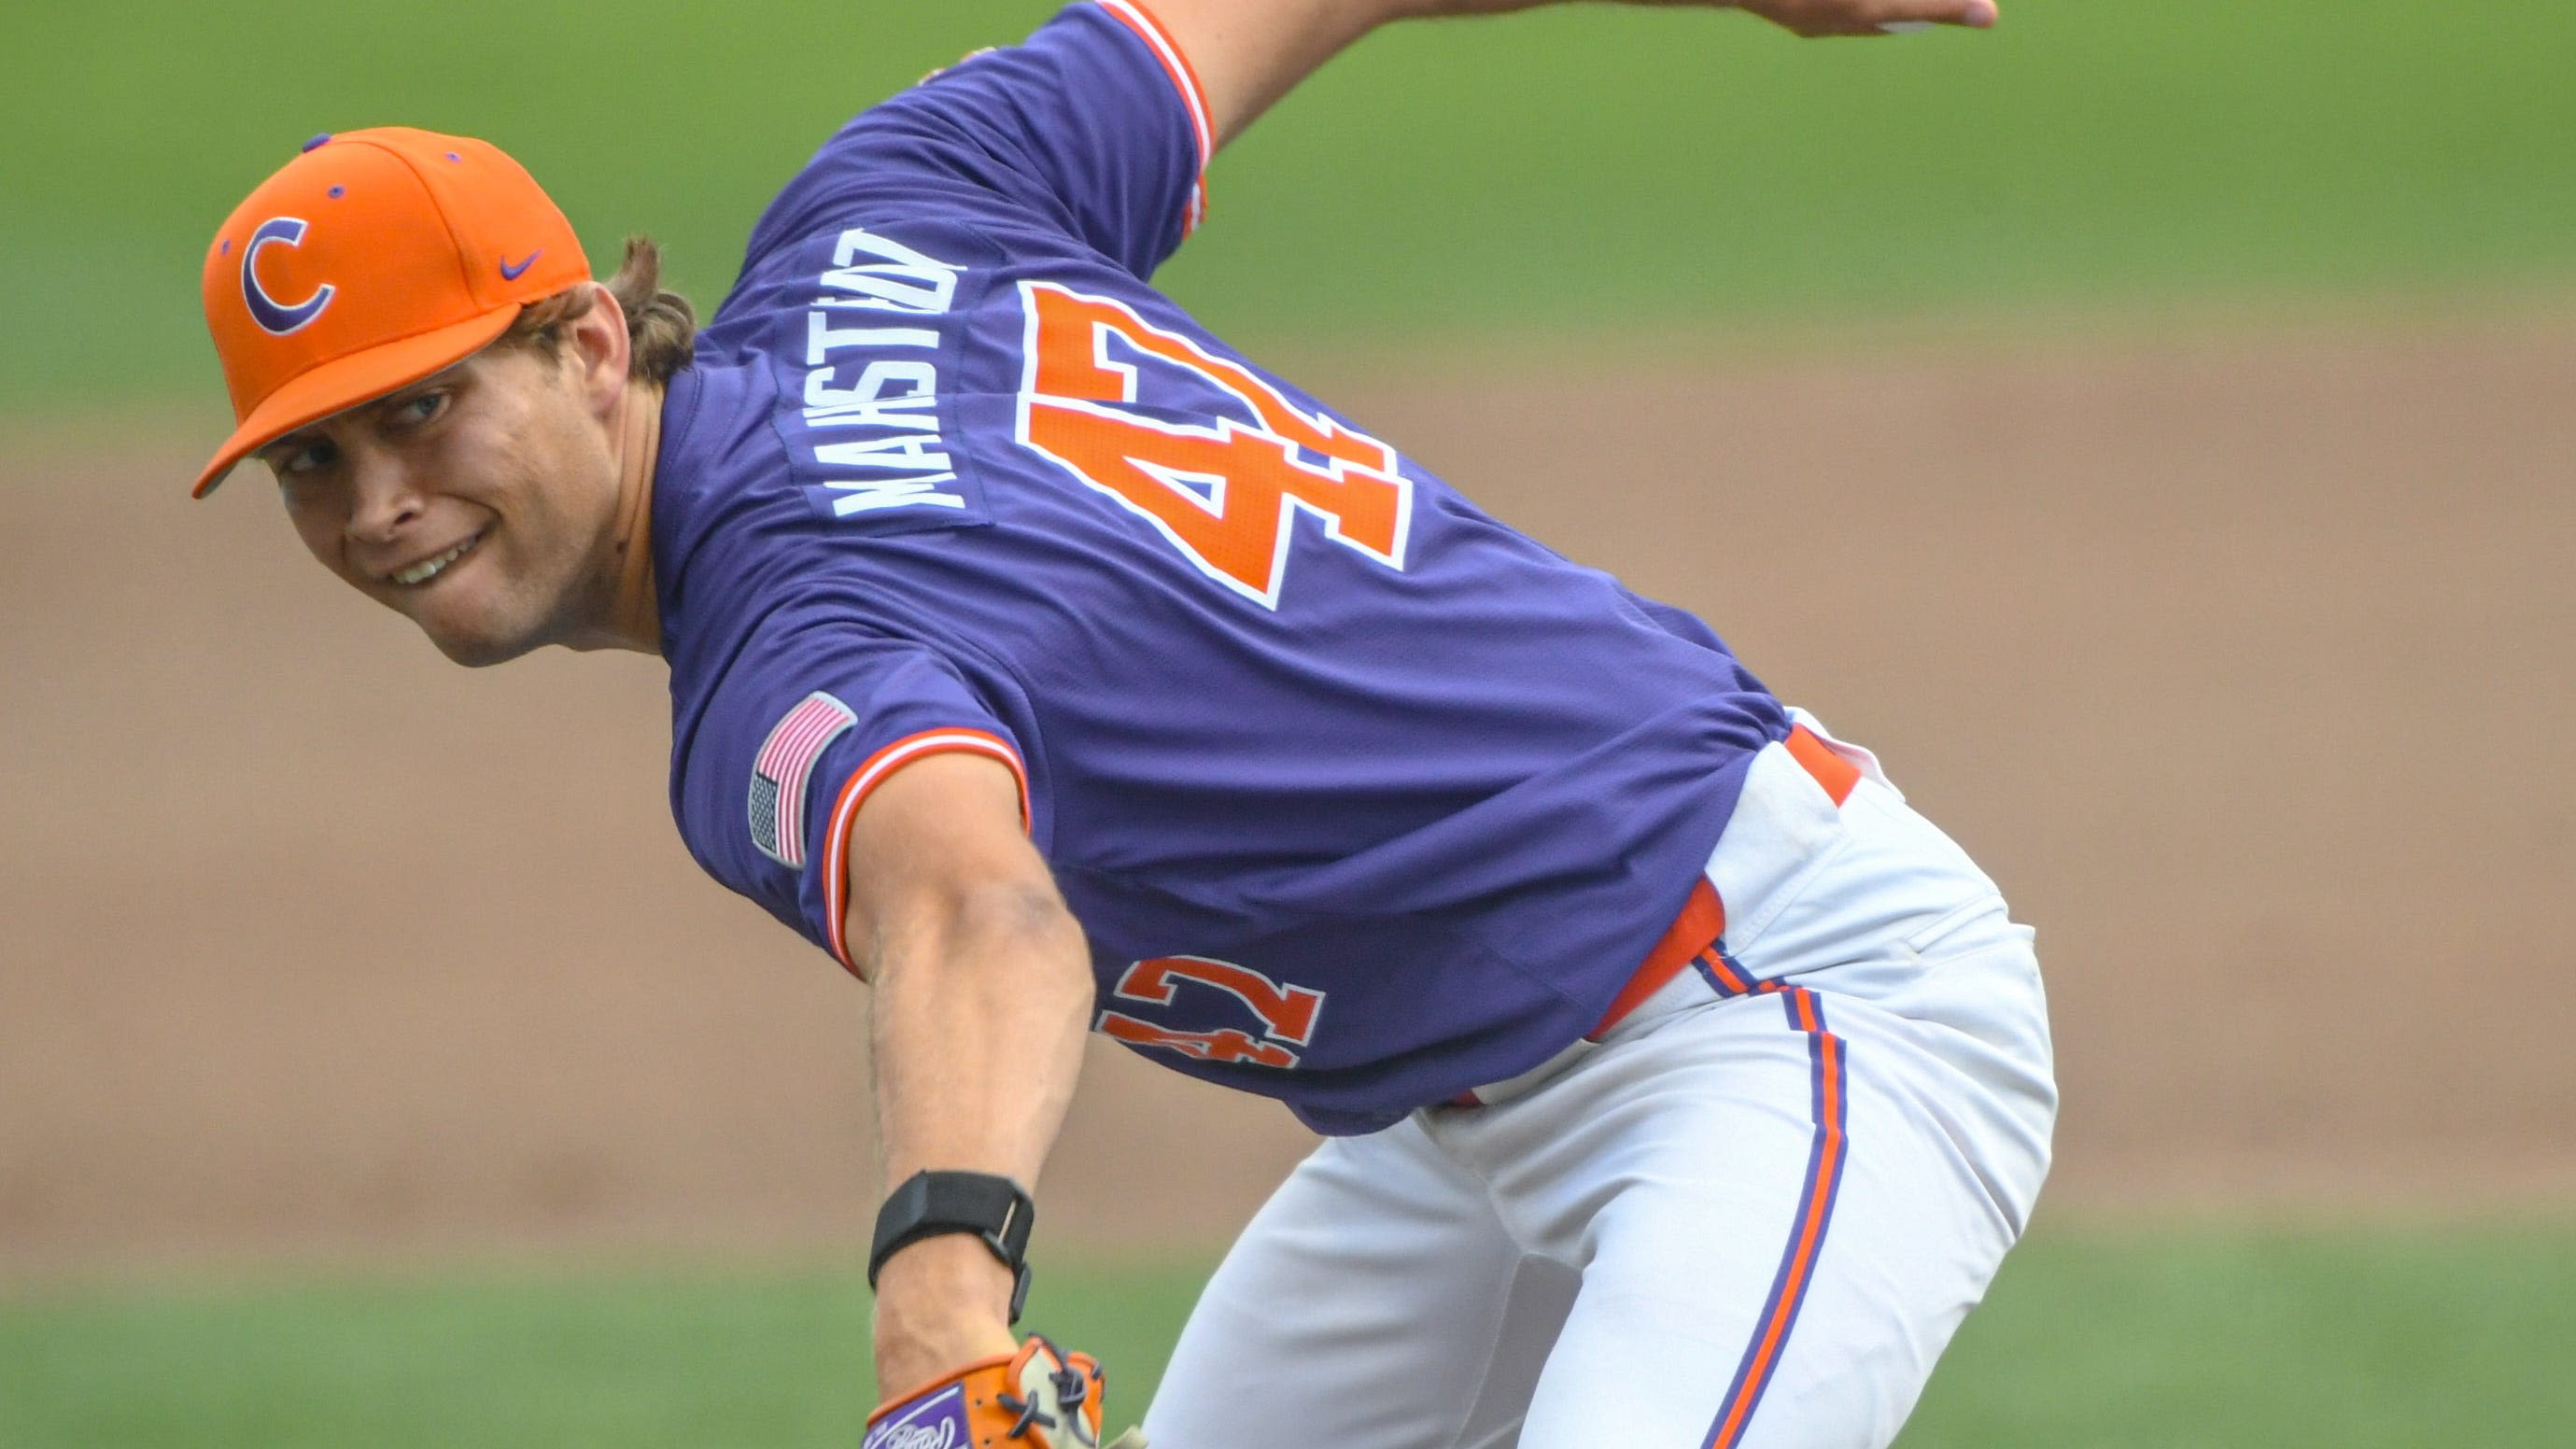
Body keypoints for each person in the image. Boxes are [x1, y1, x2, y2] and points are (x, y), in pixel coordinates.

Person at [192, 0, 2052, 1443]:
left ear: (592, 343)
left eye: (425, 408)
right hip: (1449, 1119)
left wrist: (939, 1306)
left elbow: (979, 911)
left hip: (1777, 1007)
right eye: (311, 462)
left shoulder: (787, 650)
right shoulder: (898, 201)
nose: (375, 505)